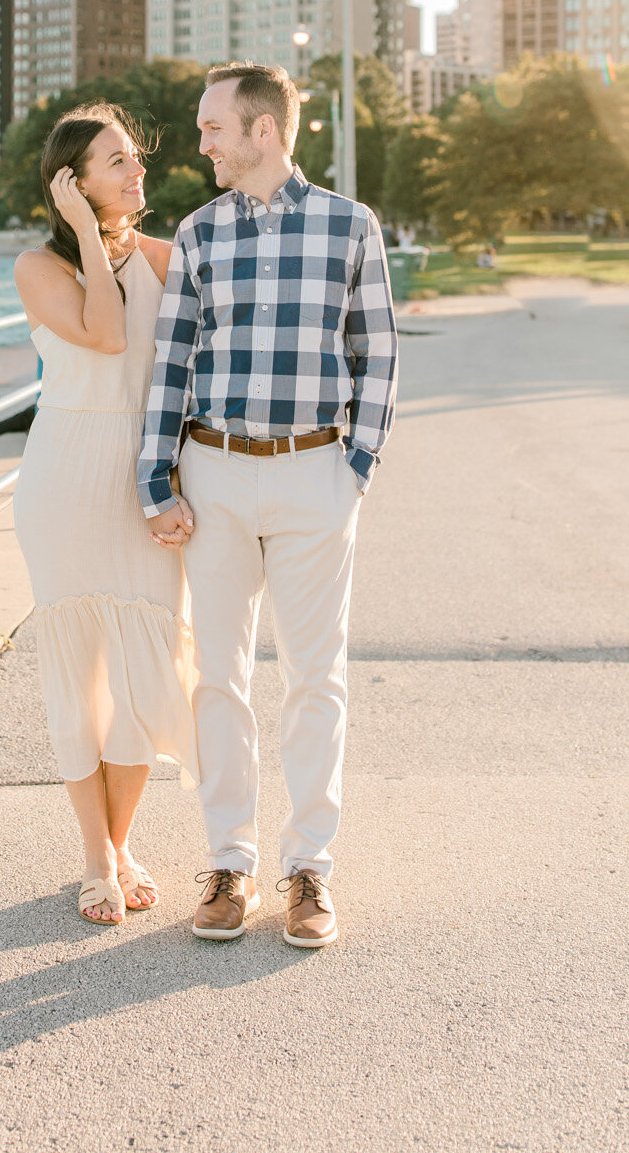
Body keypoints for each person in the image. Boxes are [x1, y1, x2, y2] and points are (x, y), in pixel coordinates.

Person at [137, 62, 397, 949]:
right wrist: (156, 478)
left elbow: (378, 356)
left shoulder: (348, 225)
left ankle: (309, 869)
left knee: (314, 676)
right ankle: (229, 861)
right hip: (213, 473)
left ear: (261, 131)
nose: (200, 141)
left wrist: (353, 467)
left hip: (314, 474)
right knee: (218, 675)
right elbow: (171, 362)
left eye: (212, 127)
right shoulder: (199, 232)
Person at [14, 103, 198, 926]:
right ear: (71, 184)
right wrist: (87, 235)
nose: (135, 171)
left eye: (134, 157)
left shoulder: (166, 256)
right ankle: (97, 858)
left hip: (146, 480)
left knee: (144, 675)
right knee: (78, 676)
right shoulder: (37, 267)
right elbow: (107, 334)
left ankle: (120, 845)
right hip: (65, 479)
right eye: (115, 162)